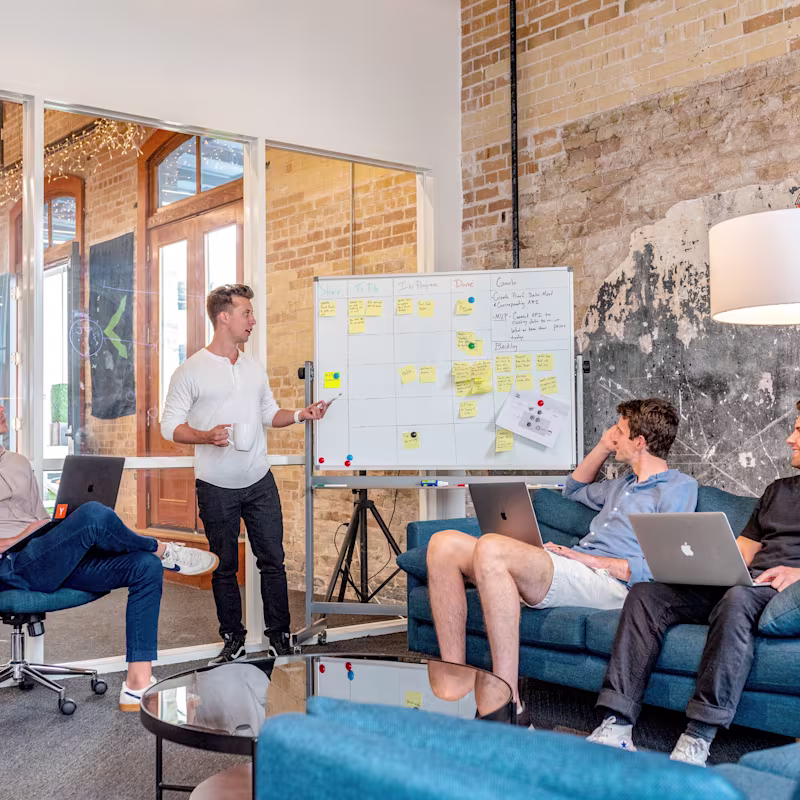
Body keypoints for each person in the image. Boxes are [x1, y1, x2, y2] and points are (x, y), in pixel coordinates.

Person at [426, 398, 697, 720]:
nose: (612, 435)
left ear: (639, 442)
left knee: (493, 547)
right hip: (577, 569)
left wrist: (594, 562)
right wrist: (601, 447)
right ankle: (455, 669)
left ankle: (508, 697)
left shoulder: (678, 488)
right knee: (443, 544)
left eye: (619, 431)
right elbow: (573, 489)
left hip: (611, 584)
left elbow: (667, 564)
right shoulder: (621, 486)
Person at [587, 403, 800, 766]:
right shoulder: (778, 491)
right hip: (747, 582)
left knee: (737, 599)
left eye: (798, 430)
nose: (789, 437)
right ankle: (617, 724)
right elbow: (744, 551)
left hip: (781, 594)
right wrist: (708, 565)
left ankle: (699, 735)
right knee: (646, 593)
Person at [0, 406, 218, 711]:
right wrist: (21, 535)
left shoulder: (18, 463)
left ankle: (137, 685)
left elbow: (40, 517)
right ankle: (160, 548)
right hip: (12, 564)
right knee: (92, 514)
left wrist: (53, 527)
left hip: (44, 552)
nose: (0, 409)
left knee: (144, 567)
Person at [161, 284, 328, 665]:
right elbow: (169, 427)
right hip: (216, 486)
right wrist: (205, 435)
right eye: (246, 313)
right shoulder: (191, 370)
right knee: (224, 564)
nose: (252, 321)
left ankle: (279, 637)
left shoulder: (253, 368)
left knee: (273, 560)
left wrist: (301, 414)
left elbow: (270, 413)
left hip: (259, 481)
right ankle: (232, 638)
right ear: (224, 316)